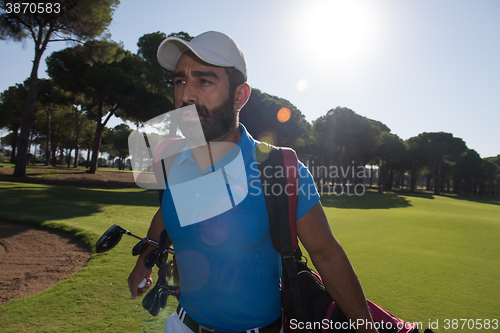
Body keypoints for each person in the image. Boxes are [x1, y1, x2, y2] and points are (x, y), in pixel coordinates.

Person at [128, 31, 377, 333]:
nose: (186, 96)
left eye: (204, 81)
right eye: (180, 80)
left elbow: (327, 255)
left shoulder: (278, 169)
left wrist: (367, 329)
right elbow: (168, 214)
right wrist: (144, 260)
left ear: (240, 96)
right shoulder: (175, 161)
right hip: (181, 325)